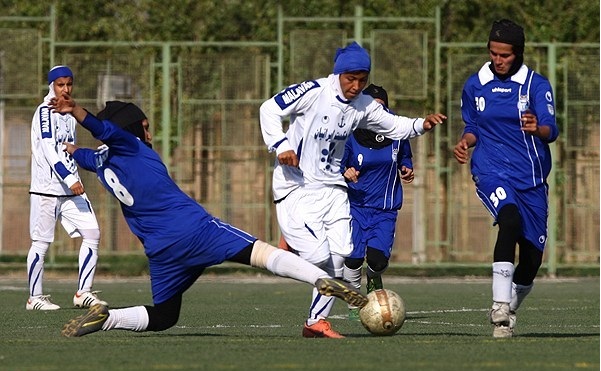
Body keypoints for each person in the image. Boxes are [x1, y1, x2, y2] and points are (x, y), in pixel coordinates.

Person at [49, 96, 368, 338]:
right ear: (130, 129)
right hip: (192, 229)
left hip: (160, 249)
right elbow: (104, 128)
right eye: (144, 126)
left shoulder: (102, 159)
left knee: (164, 317)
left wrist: (69, 148)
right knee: (261, 252)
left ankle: (108, 318)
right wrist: (77, 112)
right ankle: (321, 280)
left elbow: (87, 155)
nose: (149, 131)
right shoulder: (130, 145)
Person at [259, 41, 446, 338]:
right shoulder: (312, 92)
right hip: (297, 186)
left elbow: (393, 125)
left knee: (342, 255)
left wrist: (421, 124)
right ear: (338, 74)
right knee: (319, 257)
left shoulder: (362, 105)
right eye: (351, 78)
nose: (356, 85)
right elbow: (269, 109)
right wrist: (280, 145)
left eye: (362, 79)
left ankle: (315, 323)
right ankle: (274, 253)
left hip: (332, 188)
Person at [453, 19, 558, 338]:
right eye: (493, 53)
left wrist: (535, 128)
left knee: (532, 260)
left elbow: (551, 131)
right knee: (509, 221)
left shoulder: (536, 86)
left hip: (531, 178)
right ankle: (500, 308)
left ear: (519, 54)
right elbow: (472, 125)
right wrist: (465, 142)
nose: (498, 60)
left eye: (505, 55)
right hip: (491, 170)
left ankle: (510, 306)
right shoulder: (475, 84)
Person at [26, 65, 106, 311]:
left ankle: (83, 293)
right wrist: (68, 177)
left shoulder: (68, 111)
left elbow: (67, 148)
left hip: (71, 189)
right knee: (41, 243)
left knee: (92, 233)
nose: (65, 89)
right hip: (47, 189)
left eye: (69, 84)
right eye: (60, 85)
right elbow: (50, 149)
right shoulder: (44, 111)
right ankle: (35, 298)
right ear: (52, 85)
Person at [341, 84, 414, 320]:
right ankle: (354, 304)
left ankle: (373, 278)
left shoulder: (396, 129)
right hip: (355, 206)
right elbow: (335, 163)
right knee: (352, 258)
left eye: (380, 108)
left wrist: (407, 168)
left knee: (377, 260)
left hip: (385, 208)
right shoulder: (350, 131)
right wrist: (345, 171)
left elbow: (405, 155)